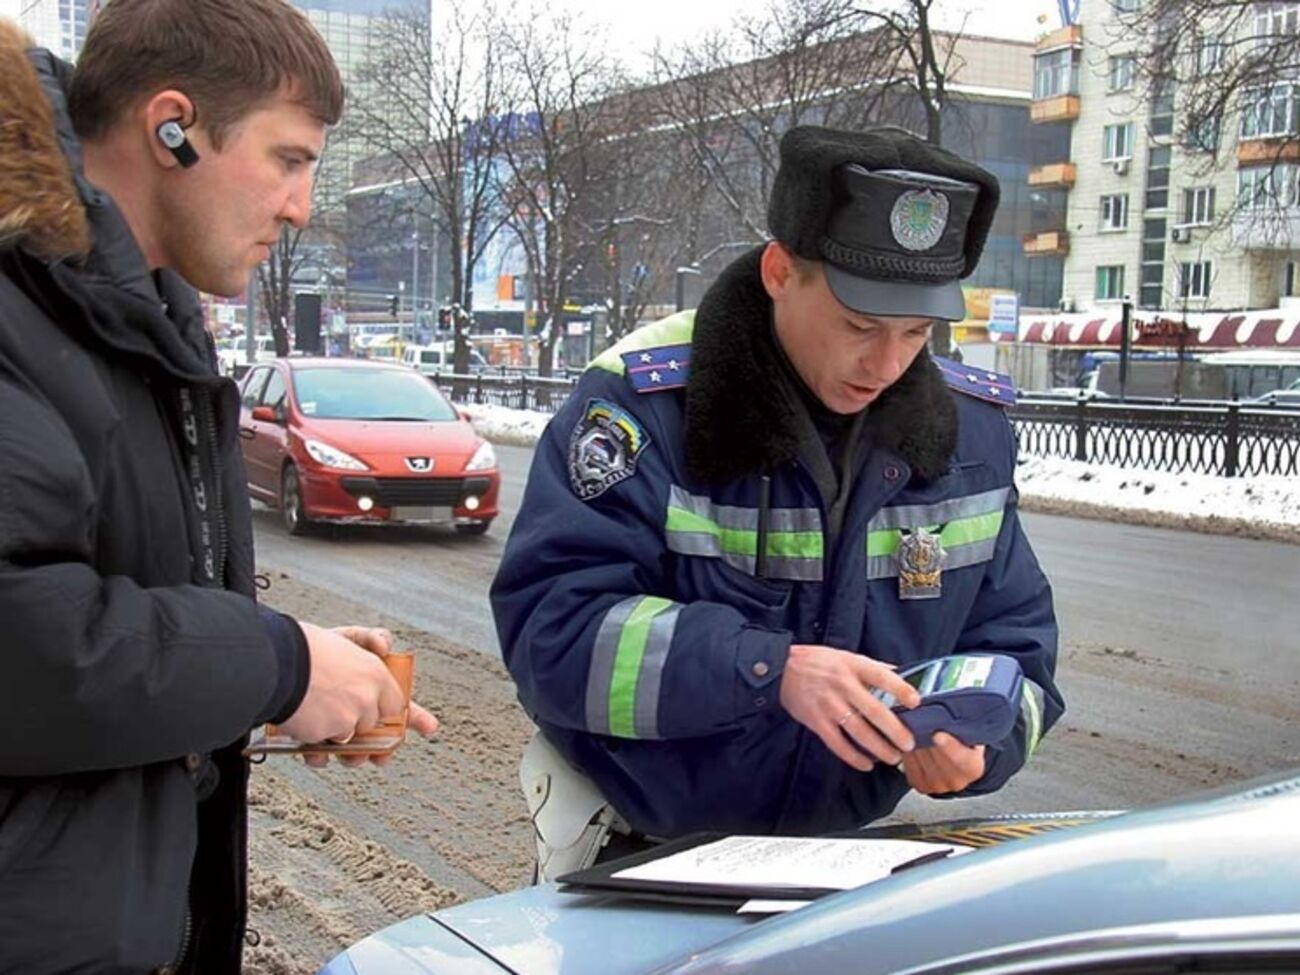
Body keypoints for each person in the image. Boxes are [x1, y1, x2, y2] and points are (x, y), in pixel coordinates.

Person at [491, 125, 1064, 879]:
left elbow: (1018, 651)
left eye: (917, 331)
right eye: (860, 325)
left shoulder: (969, 437)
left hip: (834, 867)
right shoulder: (644, 406)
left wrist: (979, 742)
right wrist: (770, 670)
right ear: (779, 271)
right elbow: (552, 635)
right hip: (634, 856)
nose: (887, 364)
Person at [0, 3, 437, 971]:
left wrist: (299, 676)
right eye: (289, 159)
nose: (302, 206)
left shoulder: (148, 323)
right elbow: (27, 642)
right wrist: (273, 662)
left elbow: (146, 603)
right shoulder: (19, 311)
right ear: (173, 129)